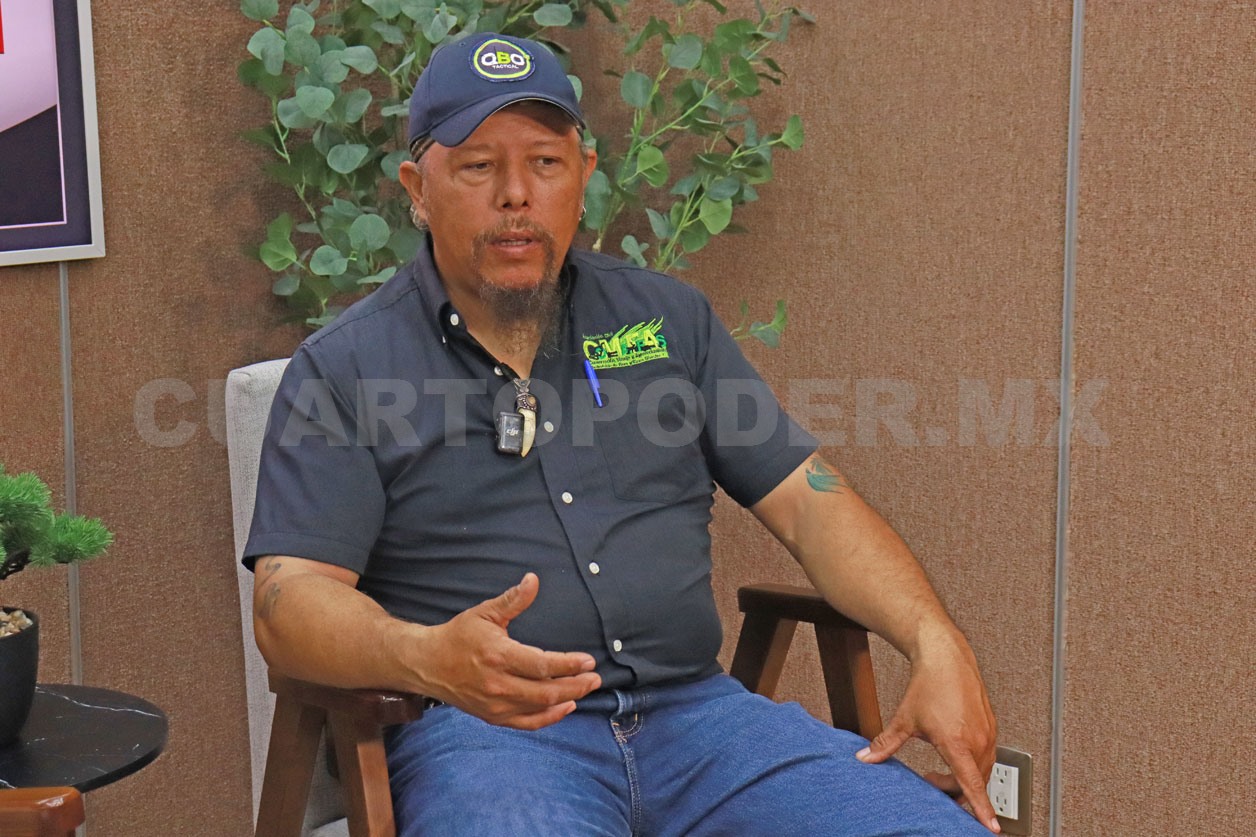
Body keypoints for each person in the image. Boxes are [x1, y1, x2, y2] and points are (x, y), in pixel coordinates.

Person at [245, 32, 1000, 836]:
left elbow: (810, 502)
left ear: (584, 176)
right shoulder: (348, 369)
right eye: (478, 166)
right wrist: (424, 656)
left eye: (545, 162)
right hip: (494, 738)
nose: (515, 194)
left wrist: (935, 638)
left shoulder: (666, 321)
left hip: (705, 728)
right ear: (417, 190)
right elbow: (289, 604)